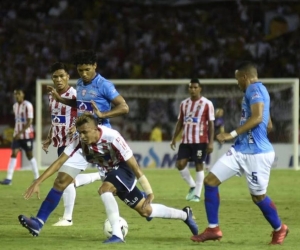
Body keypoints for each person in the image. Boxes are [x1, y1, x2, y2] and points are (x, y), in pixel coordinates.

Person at [18, 114, 199, 244]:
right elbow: (59, 163)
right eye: (80, 132)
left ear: (96, 129)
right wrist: (38, 181)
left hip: (124, 170)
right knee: (146, 211)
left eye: (85, 132)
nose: (82, 136)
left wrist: (150, 191)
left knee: (104, 189)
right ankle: (185, 215)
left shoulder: (112, 137)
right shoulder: (79, 141)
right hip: (109, 173)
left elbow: (135, 165)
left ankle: (118, 236)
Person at [190, 61, 288, 245]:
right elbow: (268, 123)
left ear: (245, 77)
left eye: (238, 80)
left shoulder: (254, 89)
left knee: (258, 197)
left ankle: (279, 228)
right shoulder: (259, 92)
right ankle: (213, 228)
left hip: (256, 154)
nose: (237, 84)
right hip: (240, 150)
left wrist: (231, 134)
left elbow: (258, 117)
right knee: (210, 182)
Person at [42, 62, 102, 226]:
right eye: (55, 76)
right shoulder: (51, 96)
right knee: (67, 179)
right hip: (60, 142)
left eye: (62, 76)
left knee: (63, 180)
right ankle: (100, 175)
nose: (59, 79)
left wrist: (76, 126)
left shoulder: (76, 94)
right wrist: (49, 137)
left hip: (74, 142)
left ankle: (68, 218)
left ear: (68, 76)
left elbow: (86, 114)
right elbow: (55, 119)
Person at [47, 49, 129, 126]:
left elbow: (124, 107)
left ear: (95, 65)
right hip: (84, 134)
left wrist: (102, 115)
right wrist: (59, 99)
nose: (84, 74)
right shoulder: (79, 82)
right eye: (80, 70)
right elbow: (79, 104)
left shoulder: (104, 84)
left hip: (100, 132)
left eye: (87, 69)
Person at [170, 78, 215, 202]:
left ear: (200, 89)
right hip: (186, 141)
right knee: (180, 164)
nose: (193, 89)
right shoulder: (184, 104)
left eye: (195, 87)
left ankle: (197, 194)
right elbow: (180, 122)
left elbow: (211, 124)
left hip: (201, 140)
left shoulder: (207, 104)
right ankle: (193, 186)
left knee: (199, 165)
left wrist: (211, 142)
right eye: (191, 87)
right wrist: (174, 138)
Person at [0, 89, 39, 185]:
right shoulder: (15, 106)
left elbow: (30, 121)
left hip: (27, 135)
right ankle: (9, 179)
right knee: (13, 154)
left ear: (23, 95)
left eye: (19, 94)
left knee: (29, 155)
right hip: (17, 135)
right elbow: (18, 121)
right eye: (15, 94)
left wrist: (20, 133)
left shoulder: (28, 105)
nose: (17, 96)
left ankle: (37, 178)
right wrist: (16, 132)